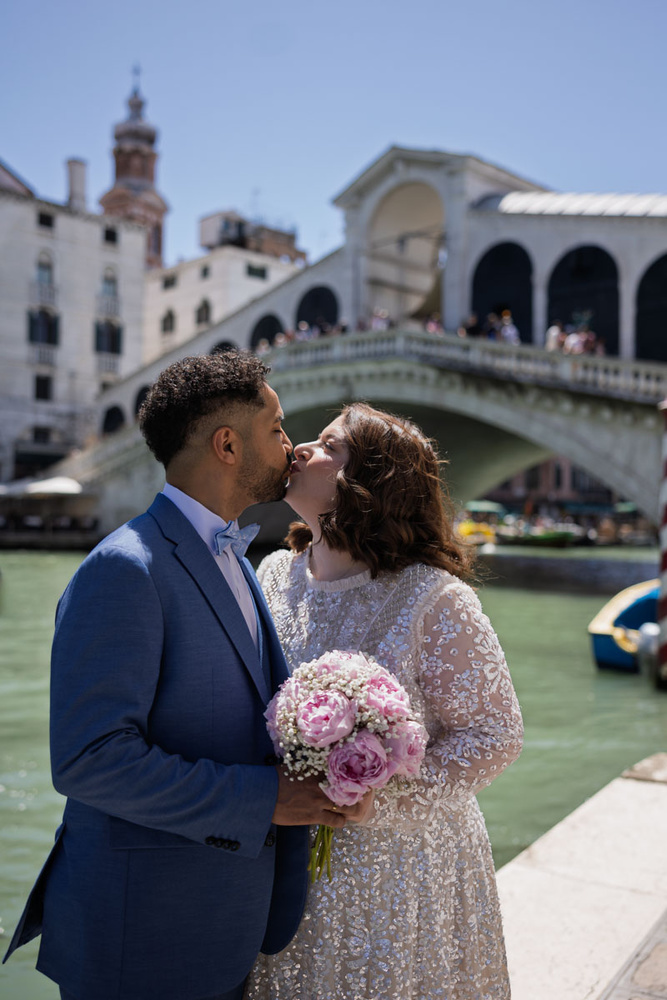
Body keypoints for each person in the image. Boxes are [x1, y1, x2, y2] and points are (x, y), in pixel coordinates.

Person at [3, 353, 366, 1000]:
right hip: (142, 938)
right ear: (227, 444)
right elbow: (90, 760)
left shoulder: (236, 557)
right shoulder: (125, 569)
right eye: (278, 428)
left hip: (221, 928)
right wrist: (266, 800)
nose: (291, 445)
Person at [246, 403, 524, 1000]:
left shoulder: (434, 598)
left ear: (369, 483)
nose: (301, 449)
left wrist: (379, 796)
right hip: (288, 854)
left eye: (329, 445)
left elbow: (496, 734)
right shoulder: (273, 573)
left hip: (403, 870)